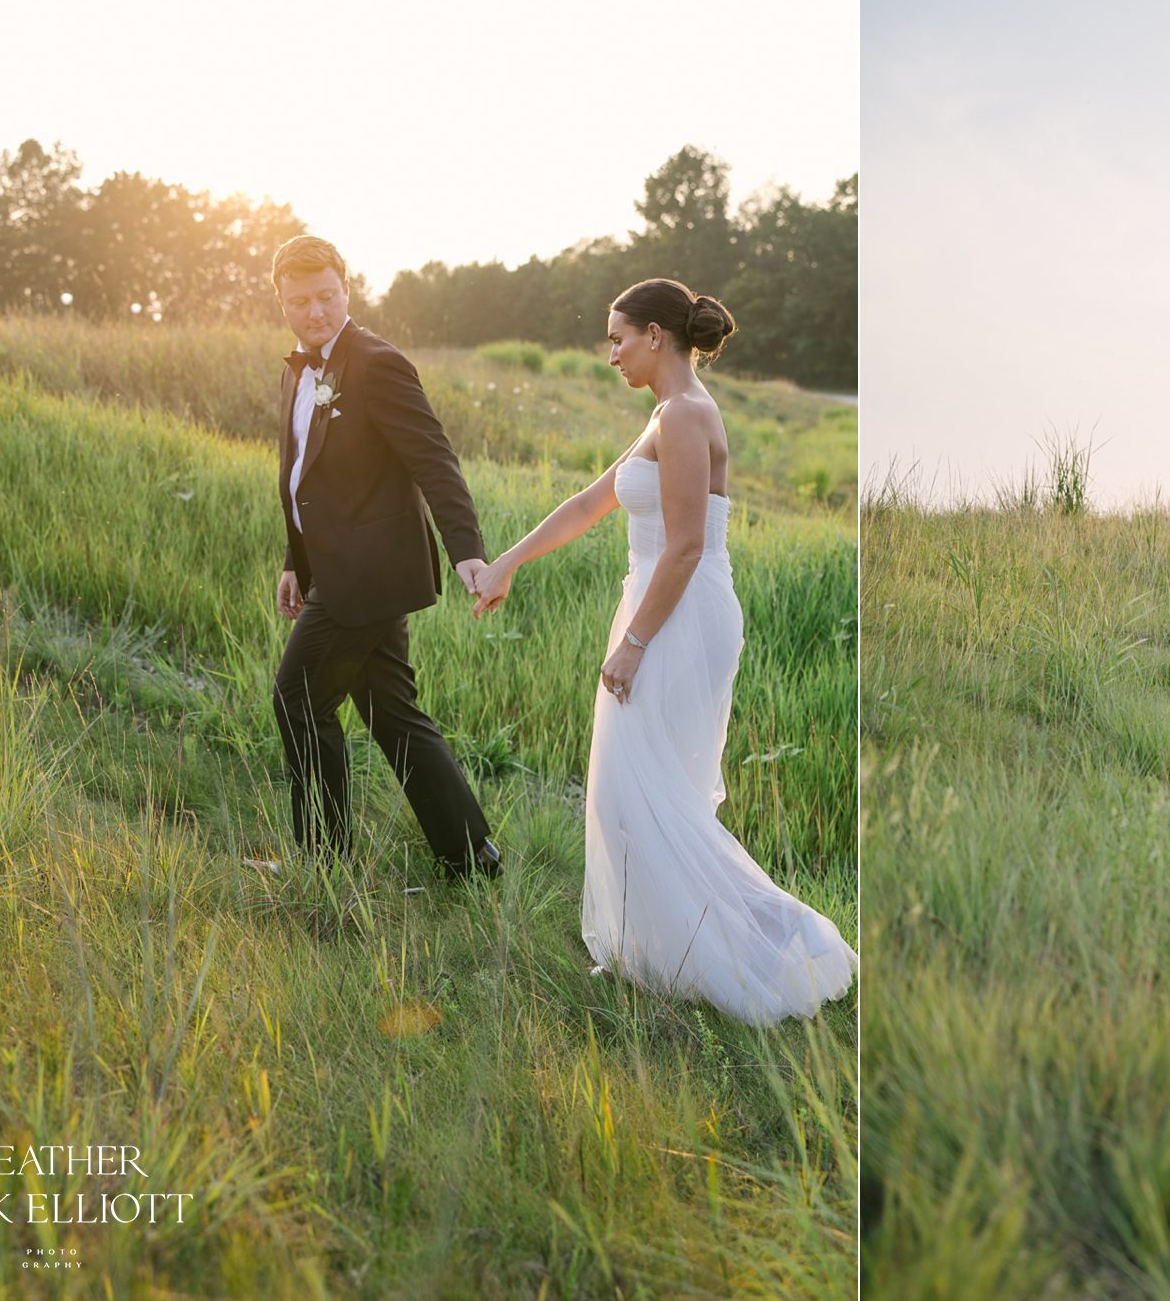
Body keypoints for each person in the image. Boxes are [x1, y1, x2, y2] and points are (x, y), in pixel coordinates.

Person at [471, 279, 856, 1024]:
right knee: (633, 794)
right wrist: (507, 563)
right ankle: (664, 953)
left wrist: (635, 645)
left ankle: (778, 942)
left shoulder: (685, 416)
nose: (610, 353)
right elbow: (593, 500)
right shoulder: (665, 415)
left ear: (655, 335)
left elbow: (683, 550)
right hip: (658, 608)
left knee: (648, 796)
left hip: (675, 616)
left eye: (616, 338)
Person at [268, 234, 501, 878]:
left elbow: (433, 458)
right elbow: (302, 479)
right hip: (334, 572)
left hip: (369, 576)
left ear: (347, 288)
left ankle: (322, 863)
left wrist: (467, 553)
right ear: (281, 302)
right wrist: (296, 562)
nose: (314, 312)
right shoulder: (298, 369)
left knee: (297, 698)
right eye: (300, 302)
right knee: (391, 712)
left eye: (326, 297)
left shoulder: (376, 362)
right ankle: (473, 855)